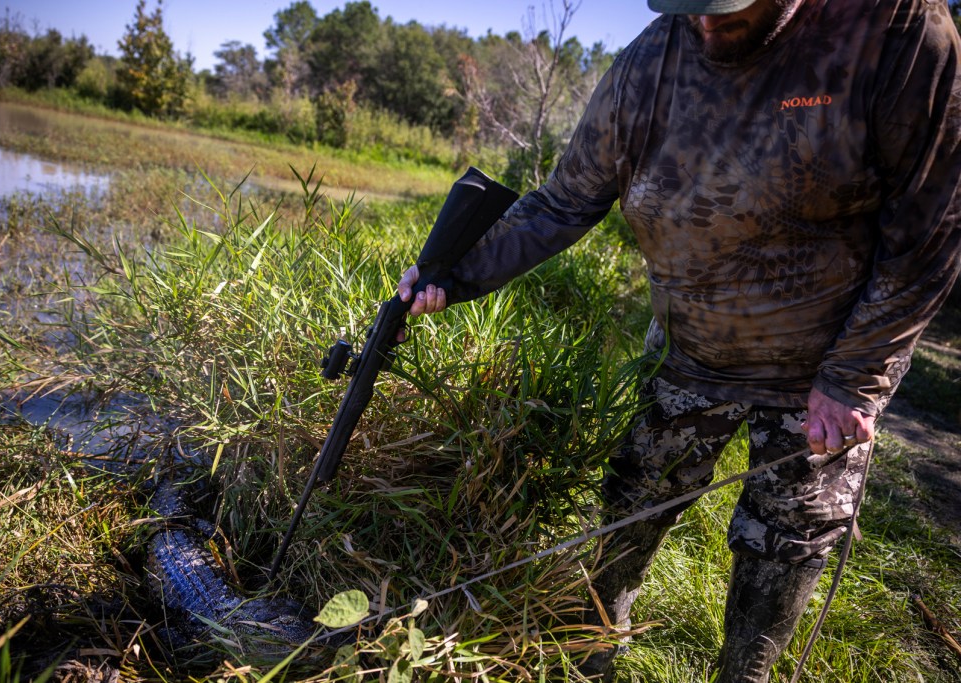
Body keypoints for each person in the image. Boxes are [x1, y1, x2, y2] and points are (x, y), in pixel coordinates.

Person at [398, 0, 961, 680]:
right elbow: (562, 202)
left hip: (823, 366)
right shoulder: (650, 59)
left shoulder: (897, 32)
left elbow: (930, 230)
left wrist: (855, 378)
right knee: (631, 502)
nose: (704, 22)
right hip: (689, 351)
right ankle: (589, 654)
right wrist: (456, 272)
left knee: (784, 543)